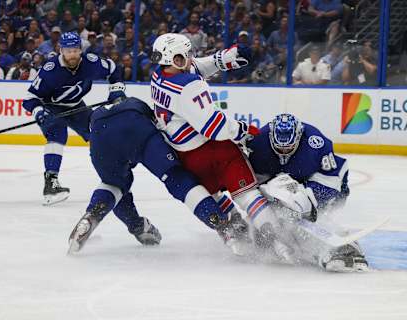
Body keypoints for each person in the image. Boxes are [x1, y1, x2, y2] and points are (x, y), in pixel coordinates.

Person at [149, 33, 293, 257]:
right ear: (174, 58)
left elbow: (196, 66)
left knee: (216, 194)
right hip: (215, 149)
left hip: (189, 158)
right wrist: (244, 130)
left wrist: (226, 58)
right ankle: (275, 239)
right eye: (184, 55)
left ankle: (235, 230)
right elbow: (214, 128)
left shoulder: (159, 76)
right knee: (246, 194)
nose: (190, 58)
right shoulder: (188, 86)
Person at [68, 97, 246, 253]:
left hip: (100, 136)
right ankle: (222, 225)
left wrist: (136, 226)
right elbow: (163, 130)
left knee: (113, 185)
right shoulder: (136, 104)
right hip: (136, 127)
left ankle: (94, 215)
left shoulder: (100, 113)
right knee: (175, 178)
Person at [245, 113, 368, 271]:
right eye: (279, 147)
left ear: (298, 137)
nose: (283, 151)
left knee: (313, 215)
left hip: (324, 181)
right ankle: (302, 243)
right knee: (275, 223)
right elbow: (254, 183)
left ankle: (345, 247)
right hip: (286, 179)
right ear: (270, 137)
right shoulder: (257, 143)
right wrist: (276, 201)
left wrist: (306, 202)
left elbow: (331, 180)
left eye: (288, 147)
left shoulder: (316, 143)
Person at [22, 32, 126, 206]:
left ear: (81, 49)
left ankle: (115, 175)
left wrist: (116, 91)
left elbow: (114, 69)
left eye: (76, 50)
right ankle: (51, 183)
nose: (72, 54)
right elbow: (29, 99)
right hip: (51, 107)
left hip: (76, 106)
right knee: (57, 134)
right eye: (68, 50)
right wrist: (39, 112)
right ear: (61, 50)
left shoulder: (91, 62)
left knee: (99, 133)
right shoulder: (50, 70)